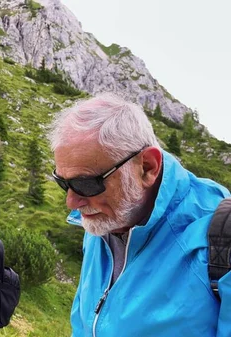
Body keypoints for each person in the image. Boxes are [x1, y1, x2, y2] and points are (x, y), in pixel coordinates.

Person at [47, 93, 231, 336]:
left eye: (86, 183)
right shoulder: (101, 222)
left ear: (147, 167)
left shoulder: (218, 236)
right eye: (63, 183)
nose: (71, 201)